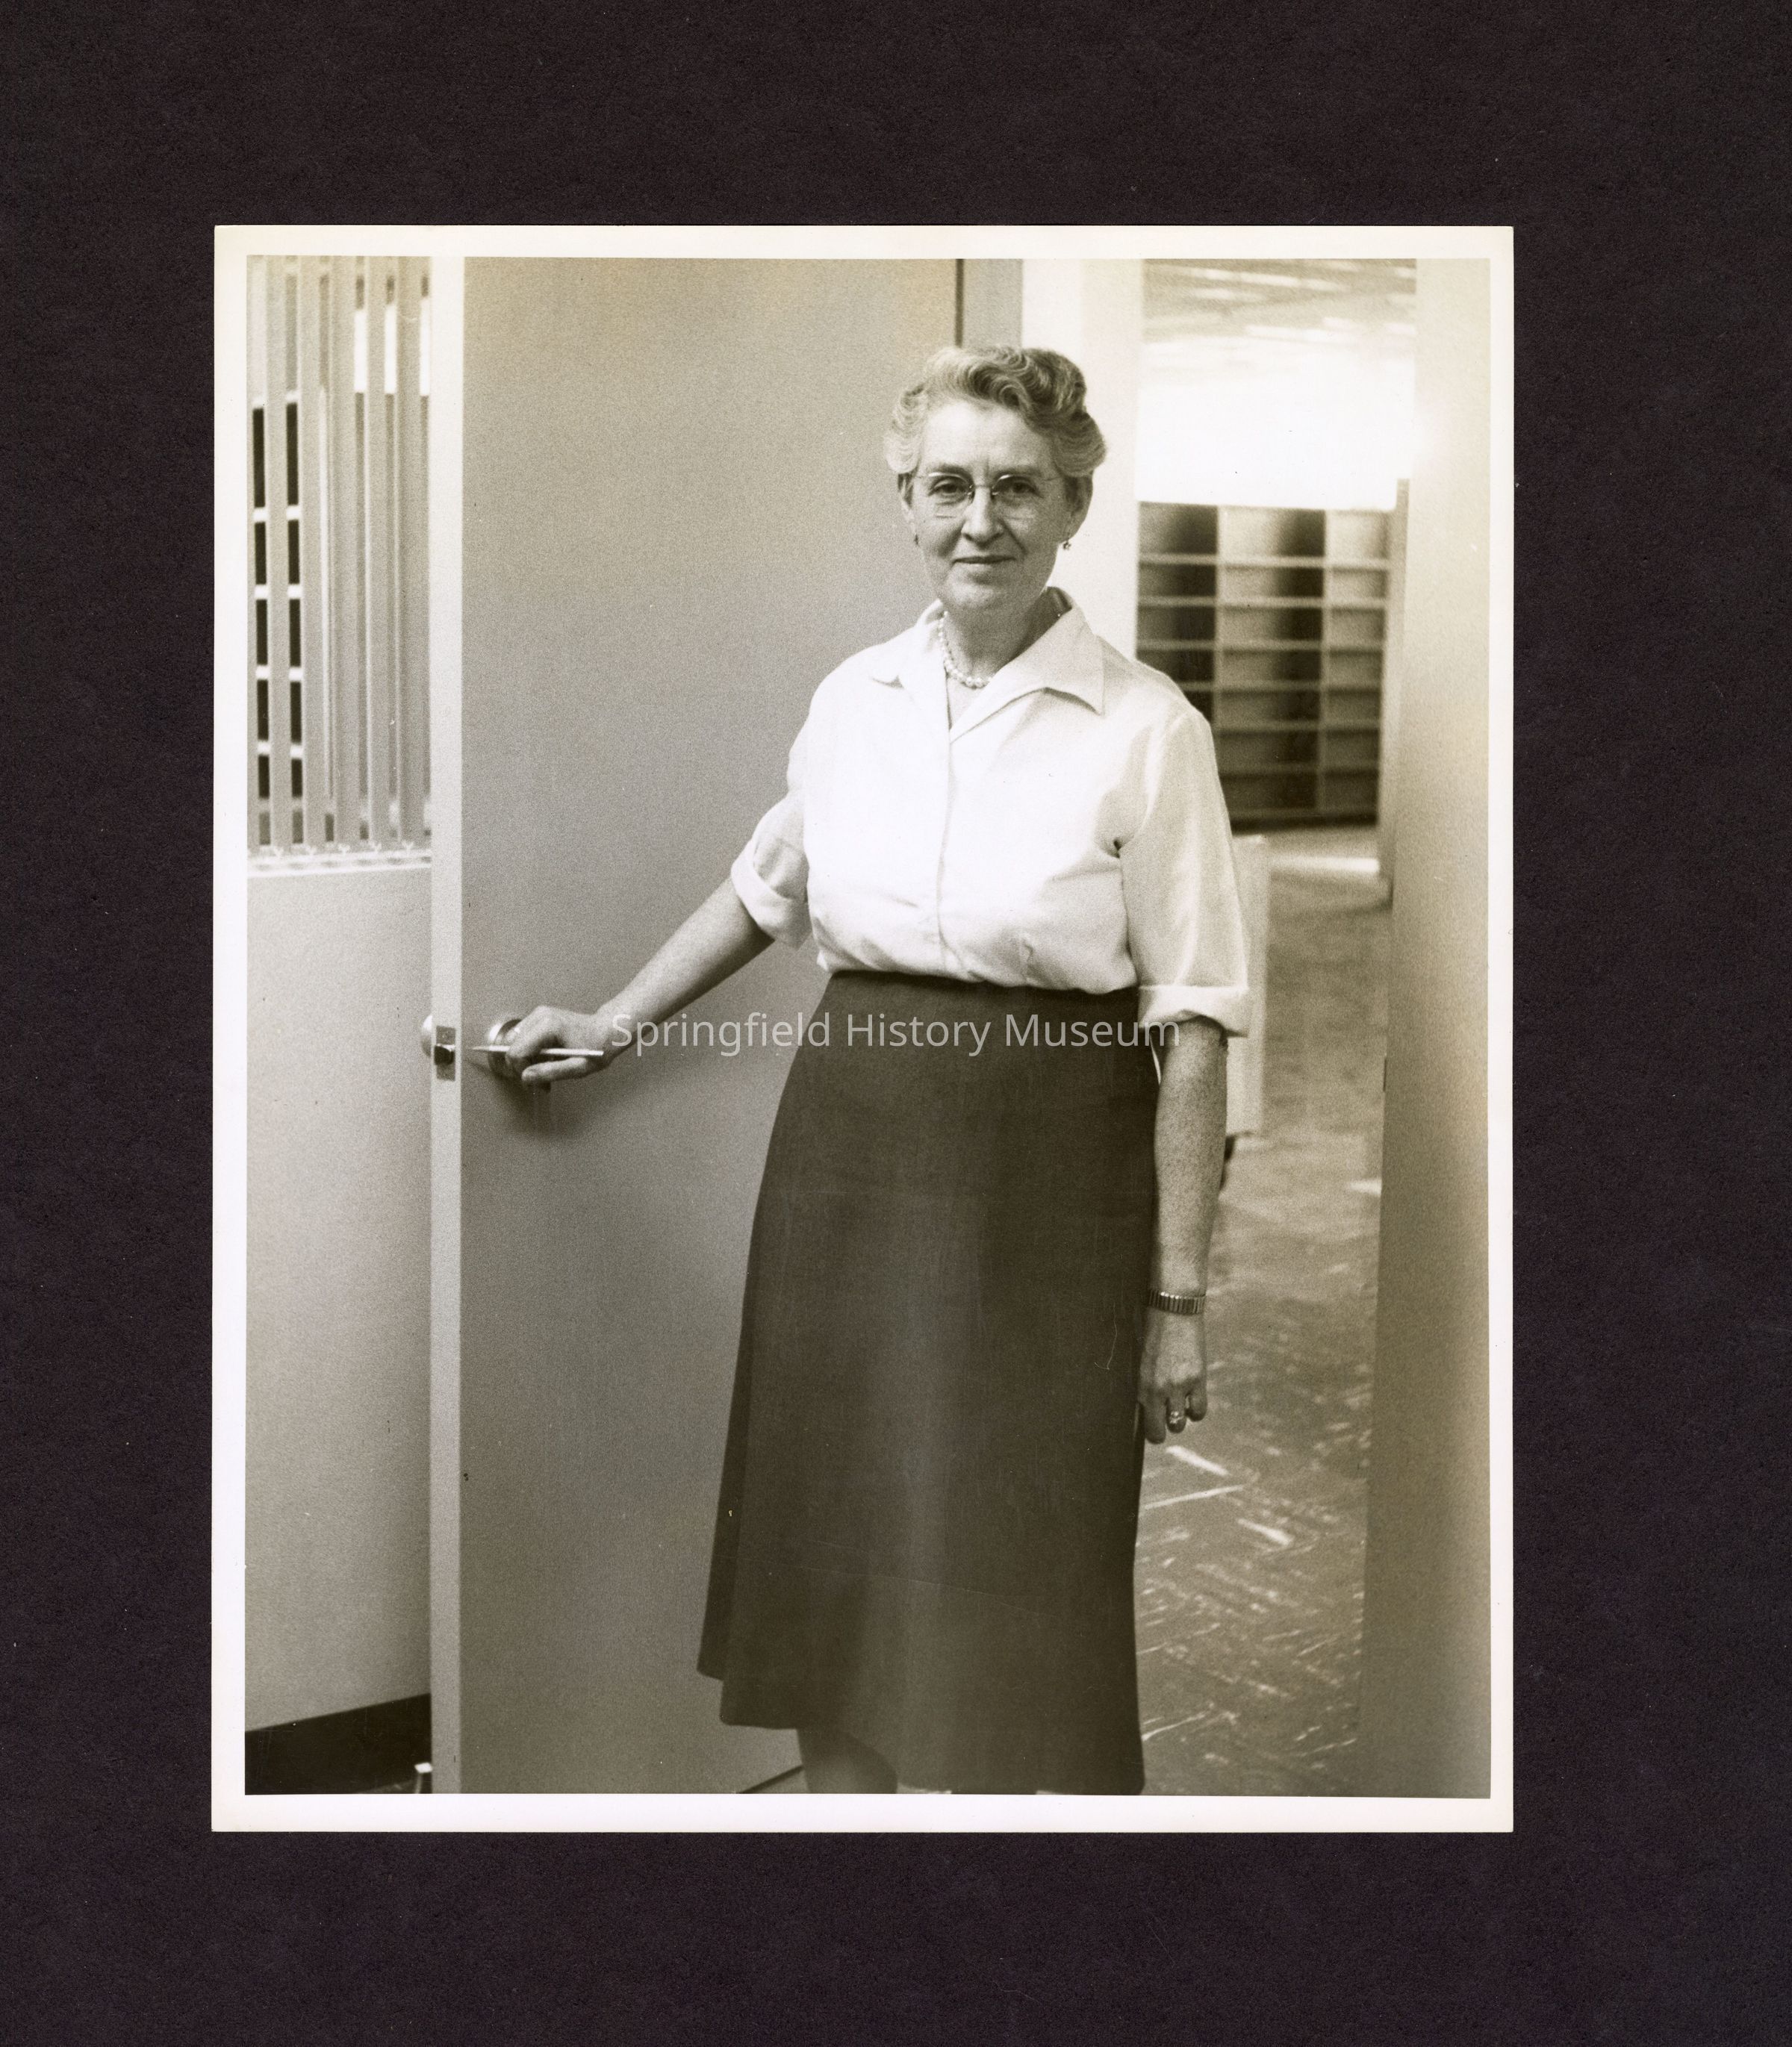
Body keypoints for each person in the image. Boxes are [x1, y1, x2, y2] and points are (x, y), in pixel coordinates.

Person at [498, 344, 1249, 1794]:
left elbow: (1197, 1026)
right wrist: (613, 1020)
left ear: (1074, 507)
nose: (983, 520)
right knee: (831, 1541)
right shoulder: (855, 700)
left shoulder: (1151, 731)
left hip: (1050, 1189)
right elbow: (762, 890)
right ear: (906, 504)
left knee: (1018, 1555)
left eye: (1019, 488)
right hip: (848, 1159)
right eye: (948, 486)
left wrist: (1176, 1302)